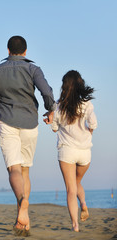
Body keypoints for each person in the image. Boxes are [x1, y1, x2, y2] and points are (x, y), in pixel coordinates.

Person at [0, 36, 55, 234]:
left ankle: (22, 203)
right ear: (25, 51)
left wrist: (1, 107)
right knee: (25, 171)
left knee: (13, 169)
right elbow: (47, 93)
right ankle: (24, 218)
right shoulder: (33, 69)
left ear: (8, 50)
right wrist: (50, 111)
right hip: (30, 123)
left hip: (7, 122)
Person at [50, 70, 97, 232]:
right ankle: (83, 204)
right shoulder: (87, 104)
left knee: (71, 189)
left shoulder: (59, 106)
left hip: (67, 151)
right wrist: (86, 137)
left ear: (64, 86)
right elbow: (93, 125)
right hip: (85, 152)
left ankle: (75, 225)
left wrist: (51, 120)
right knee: (77, 183)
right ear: (80, 85)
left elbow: (55, 128)